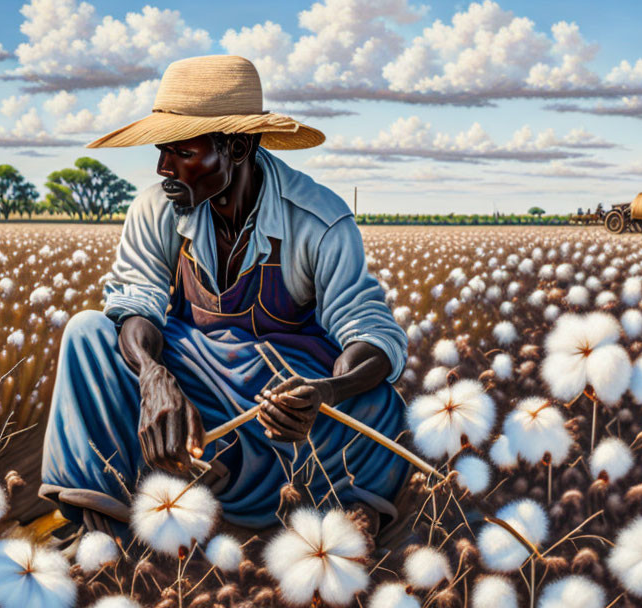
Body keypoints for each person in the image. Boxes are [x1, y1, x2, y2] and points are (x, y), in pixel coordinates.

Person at [39, 55, 410, 540]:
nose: (162, 167)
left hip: (281, 412)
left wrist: (326, 394)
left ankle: (334, 515)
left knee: (382, 407)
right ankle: (101, 526)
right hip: (191, 391)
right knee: (87, 334)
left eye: (183, 153)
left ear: (236, 147)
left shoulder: (319, 220)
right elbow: (138, 305)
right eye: (162, 150)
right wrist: (153, 376)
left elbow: (368, 331)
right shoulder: (157, 208)